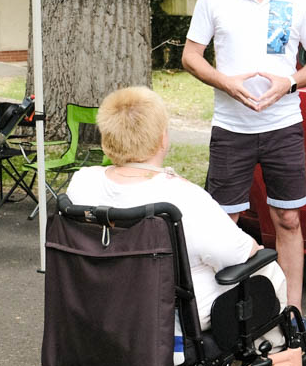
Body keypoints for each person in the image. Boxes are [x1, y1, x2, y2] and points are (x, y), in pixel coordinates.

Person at [181, 0, 306, 345]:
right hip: (231, 128)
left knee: (287, 218)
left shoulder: (298, 0)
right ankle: (222, 317)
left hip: (284, 125)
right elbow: (192, 57)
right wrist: (224, 82)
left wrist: (291, 81)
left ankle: (293, 314)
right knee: (223, 224)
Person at [66, 87, 288, 349]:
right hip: (166, 314)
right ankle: (274, 348)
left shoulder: (82, 183)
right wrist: (254, 248)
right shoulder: (183, 196)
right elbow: (233, 254)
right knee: (266, 267)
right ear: (163, 139)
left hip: (102, 303)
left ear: (106, 140)